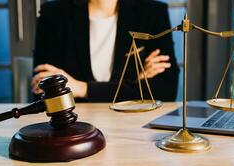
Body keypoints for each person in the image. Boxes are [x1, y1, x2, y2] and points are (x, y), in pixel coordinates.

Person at [32, 0, 179, 102]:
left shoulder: (153, 13)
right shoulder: (53, 15)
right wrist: (136, 84)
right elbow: (44, 93)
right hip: (74, 128)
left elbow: (166, 90)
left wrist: (82, 89)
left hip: (134, 124)